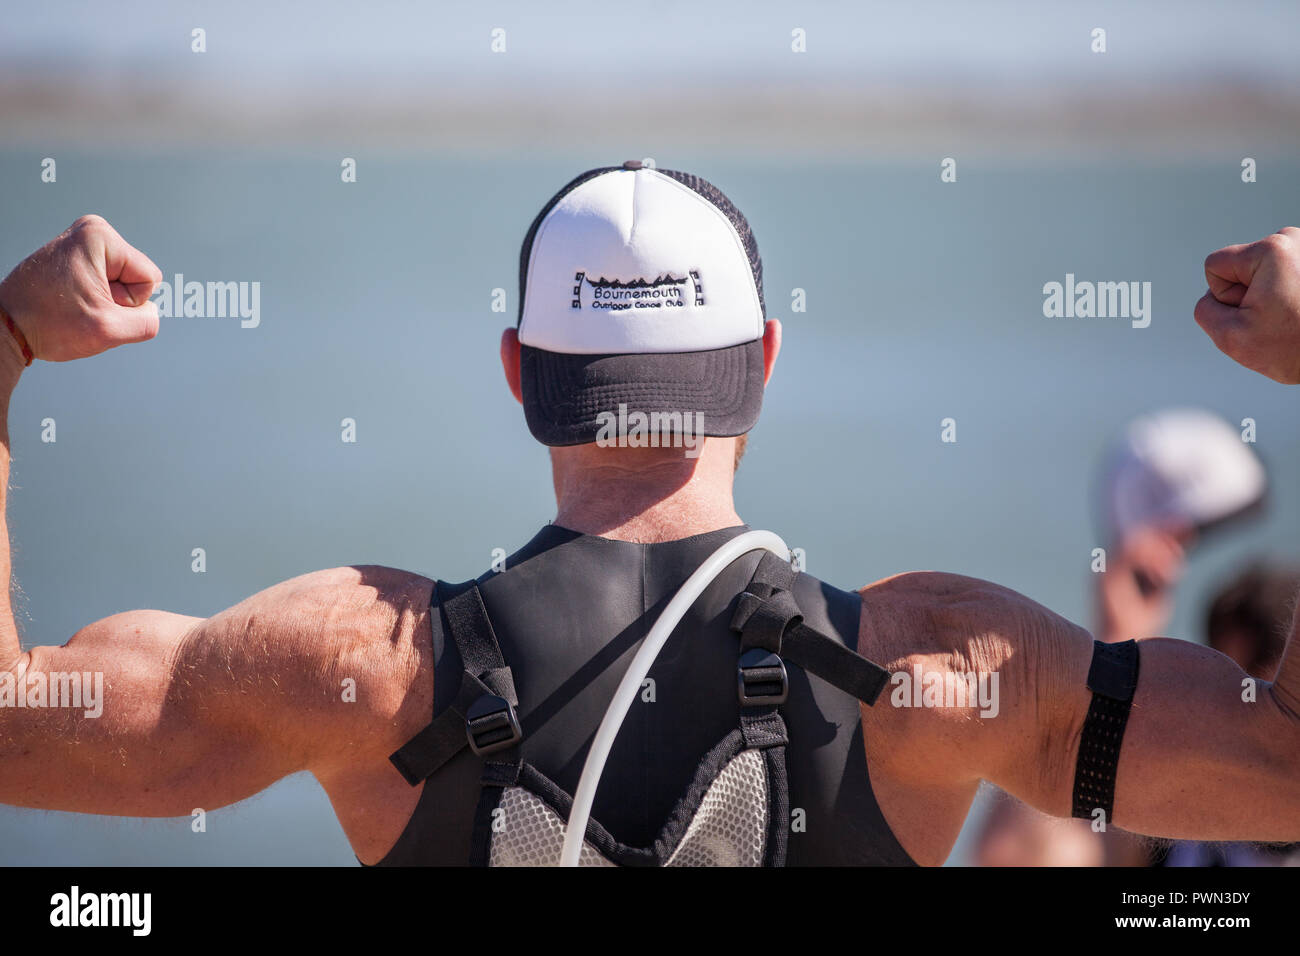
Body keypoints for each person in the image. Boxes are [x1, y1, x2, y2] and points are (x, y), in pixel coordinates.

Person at [1, 167, 1298, 867]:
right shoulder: (941, 670)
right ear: (768, 362)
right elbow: (1285, 774)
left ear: (520, 373)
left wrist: (5, 340)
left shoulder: (353, 662)